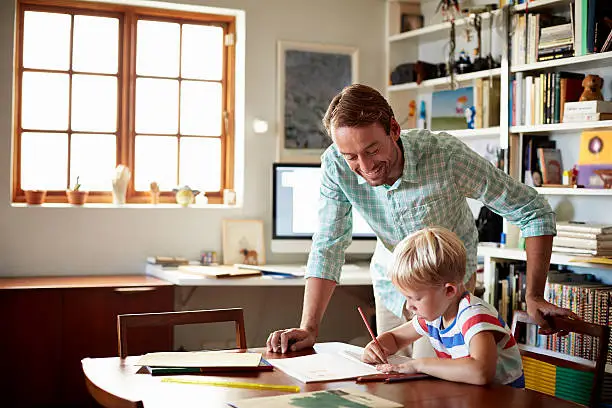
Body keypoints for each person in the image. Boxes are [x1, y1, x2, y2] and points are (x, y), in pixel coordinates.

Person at [266, 83, 575, 355]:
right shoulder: (335, 165)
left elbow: (532, 210)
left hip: (447, 289)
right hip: (391, 283)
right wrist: (309, 328)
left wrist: (534, 294)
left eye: (372, 150)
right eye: (352, 157)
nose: (365, 166)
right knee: (389, 377)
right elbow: (328, 245)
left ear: (394, 130)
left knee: (434, 379)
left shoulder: (445, 157)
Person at [363, 227, 524, 388]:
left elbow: (481, 371)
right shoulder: (437, 314)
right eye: (407, 298)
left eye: (416, 298)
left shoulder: (474, 316)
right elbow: (395, 338)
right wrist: (378, 347)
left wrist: (418, 365)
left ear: (449, 290)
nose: (409, 306)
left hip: (503, 398)